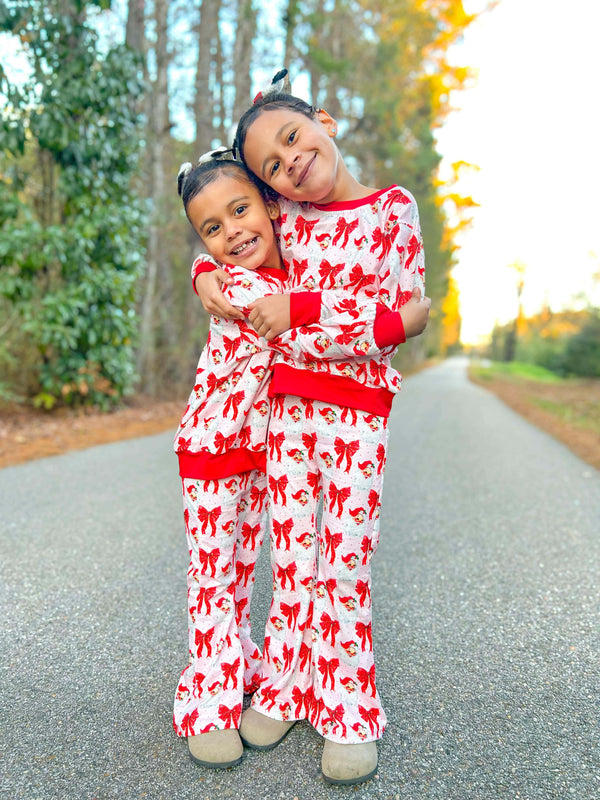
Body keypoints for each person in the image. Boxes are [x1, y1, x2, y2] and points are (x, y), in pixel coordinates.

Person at [194, 70, 430, 786]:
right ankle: (286, 687)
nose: (290, 162)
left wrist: (302, 311)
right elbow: (226, 237)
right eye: (271, 165)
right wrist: (203, 274)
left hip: (359, 416)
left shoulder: (391, 209)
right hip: (288, 414)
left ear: (324, 121)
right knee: (294, 560)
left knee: (344, 562)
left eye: (293, 138)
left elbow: (404, 319)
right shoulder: (288, 216)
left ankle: (348, 709)